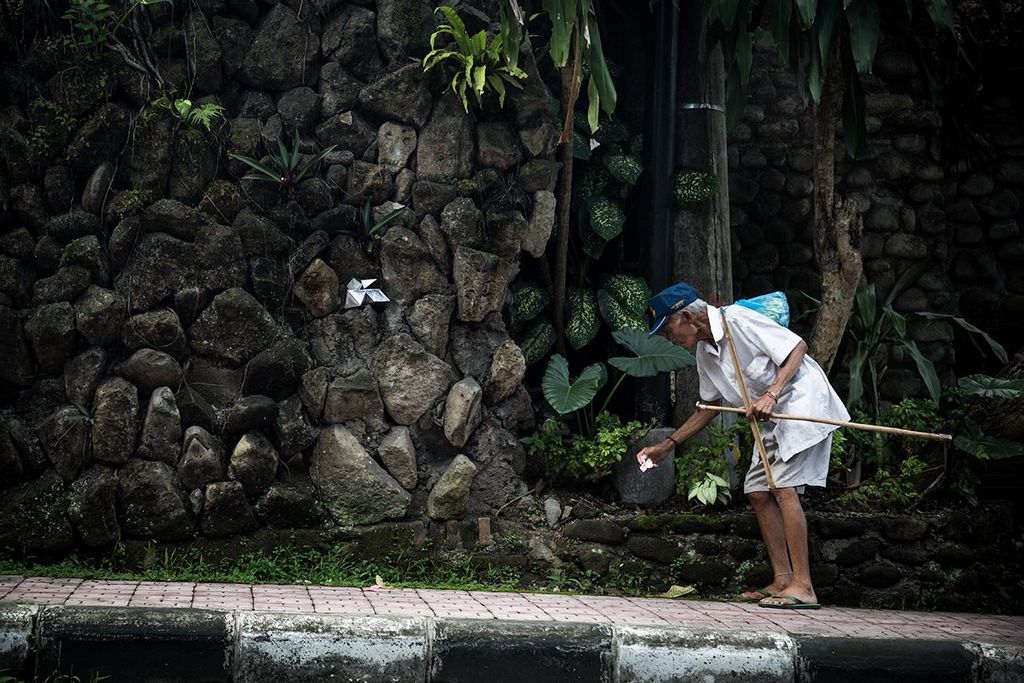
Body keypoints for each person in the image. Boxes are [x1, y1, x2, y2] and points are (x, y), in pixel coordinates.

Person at [636, 282, 850, 609]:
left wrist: (772, 393)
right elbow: (707, 408)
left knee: (783, 488)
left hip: (799, 404)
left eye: (668, 329)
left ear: (688, 317)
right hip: (768, 418)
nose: (669, 337)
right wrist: (667, 446)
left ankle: (804, 586)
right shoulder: (705, 354)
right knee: (757, 491)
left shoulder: (738, 320)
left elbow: (797, 347)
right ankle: (782, 580)